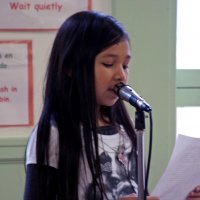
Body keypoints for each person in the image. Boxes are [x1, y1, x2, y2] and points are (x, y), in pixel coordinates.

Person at [24, 10, 140, 200]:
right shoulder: (54, 133)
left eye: (125, 65)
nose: (121, 75)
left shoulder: (126, 131)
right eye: (109, 64)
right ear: (71, 67)